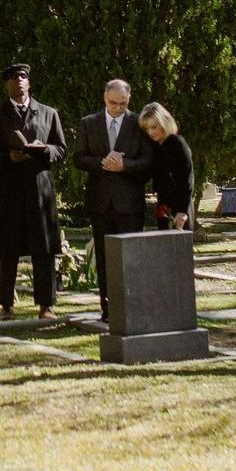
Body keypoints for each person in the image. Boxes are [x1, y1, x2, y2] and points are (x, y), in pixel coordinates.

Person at [0, 62, 67, 319]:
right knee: (9, 250)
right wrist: (8, 157)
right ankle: (6, 305)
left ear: (29, 83)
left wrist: (44, 150)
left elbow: (61, 149)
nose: (19, 80)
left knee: (44, 249)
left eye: (23, 76)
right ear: (6, 84)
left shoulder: (48, 114)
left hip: (41, 192)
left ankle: (46, 305)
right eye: (13, 77)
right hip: (10, 192)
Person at [73, 79, 150, 320]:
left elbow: (148, 162)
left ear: (129, 100)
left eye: (123, 104)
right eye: (113, 103)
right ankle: (108, 309)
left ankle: (133, 306)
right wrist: (102, 163)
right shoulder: (89, 123)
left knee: (131, 258)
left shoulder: (138, 124)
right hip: (101, 202)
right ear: (104, 99)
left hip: (129, 203)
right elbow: (78, 158)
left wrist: (124, 166)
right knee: (105, 258)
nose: (117, 108)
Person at [139, 101, 193, 231]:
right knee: (164, 247)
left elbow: (187, 178)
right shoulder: (157, 146)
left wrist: (183, 210)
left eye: (154, 127)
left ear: (164, 123)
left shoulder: (177, 143)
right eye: (147, 128)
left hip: (180, 207)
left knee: (178, 248)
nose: (150, 132)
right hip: (163, 204)